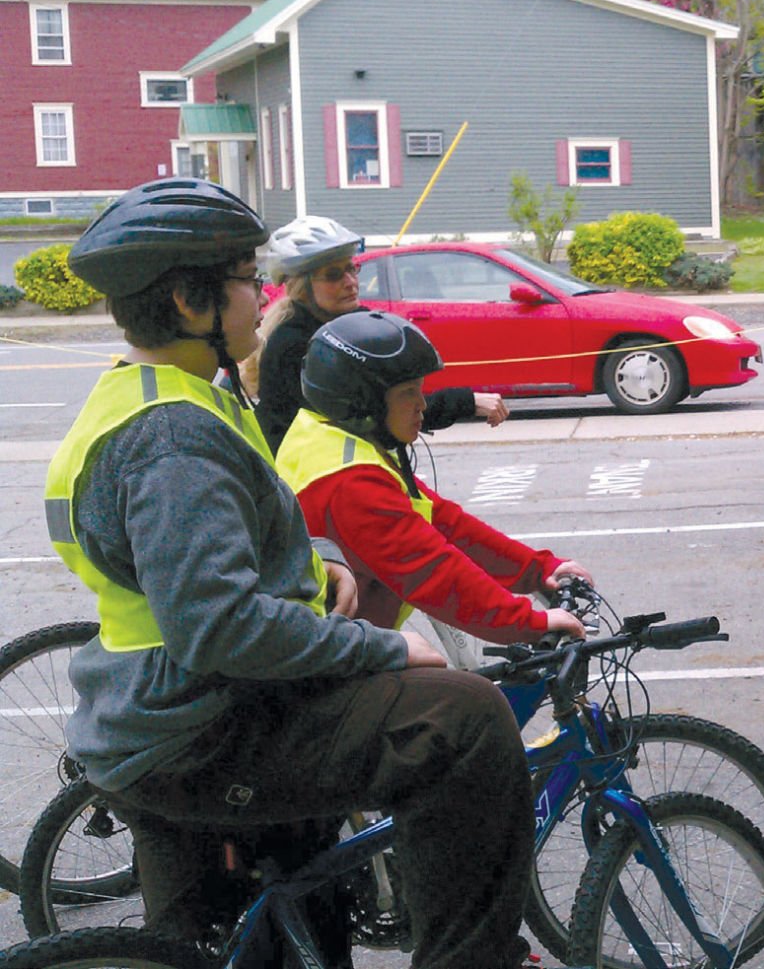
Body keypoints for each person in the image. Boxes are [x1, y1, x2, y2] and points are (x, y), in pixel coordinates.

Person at [44, 178, 535, 969]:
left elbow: (235, 538)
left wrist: (324, 571)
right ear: (189, 299)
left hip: (174, 707)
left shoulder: (160, 392)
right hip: (198, 724)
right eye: (245, 278)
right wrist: (379, 648)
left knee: (308, 909)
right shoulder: (172, 437)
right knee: (465, 720)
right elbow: (218, 624)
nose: (260, 294)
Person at [276, 309, 590, 644]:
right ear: (362, 402)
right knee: (473, 697)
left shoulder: (328, 439)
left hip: (339, 641)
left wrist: (538, 569)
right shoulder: (350, 483)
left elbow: (442, 521)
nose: (422, 405)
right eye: (408, 392)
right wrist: (528, 622)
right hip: (327, 659)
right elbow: (435, 574)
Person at [244, 215, 508, 451]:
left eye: (351, 268)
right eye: (334, 275)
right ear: (302, 286)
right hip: (311, 484)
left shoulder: (351, 325)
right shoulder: (295, 345)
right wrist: (466, 401)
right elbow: (377, 415)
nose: (350, 281)